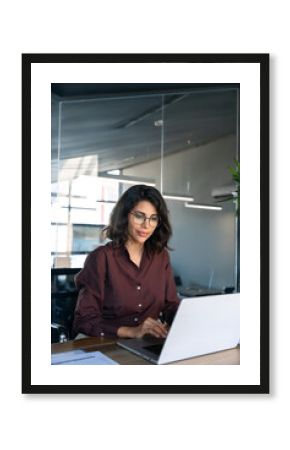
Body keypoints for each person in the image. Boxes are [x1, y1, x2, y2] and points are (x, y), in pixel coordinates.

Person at [72, 184, 180, 339]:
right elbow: (83, 320)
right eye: (139, 216)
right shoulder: (101, 258)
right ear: (124, 216)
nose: (146, 225)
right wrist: (132, 331)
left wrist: (185, 320)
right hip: (103, 342)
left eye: (153, 218)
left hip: (145, 343)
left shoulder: (160, 256)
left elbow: (170, 306)